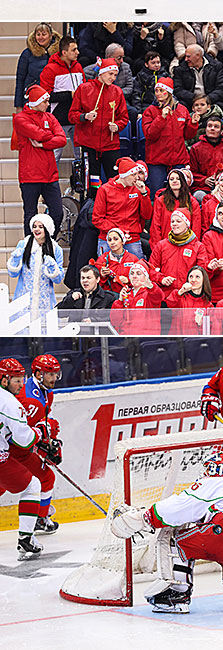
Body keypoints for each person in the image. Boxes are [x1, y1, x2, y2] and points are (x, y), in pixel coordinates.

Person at [111, 449, 223, 618]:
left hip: (216, 535)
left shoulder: (207, 484)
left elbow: (175, 510)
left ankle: (175, 594)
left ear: (207, 469)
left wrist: (144, 517)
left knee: (171, 532)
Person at [0, 358, 47, 559]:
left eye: (22, 379)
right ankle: (26, 538)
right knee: (32, 486)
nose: (21, 384)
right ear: (4, 380)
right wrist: (40, 431)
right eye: (17, 380)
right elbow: (25, 440)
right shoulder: (10, 402)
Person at [68, 56, 128, 193]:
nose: (113, 78)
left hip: (110, 145)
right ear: (101, 72)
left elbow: (124, 117)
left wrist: (118, 126)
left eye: (115, 75)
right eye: (110, 74)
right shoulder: (84, 89)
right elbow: (71, 115)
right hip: (90, 145)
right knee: (93, 184)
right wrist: (84, 116)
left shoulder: (117, 92)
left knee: (115, 182)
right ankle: (92, 209)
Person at [17, 354, 62, 534]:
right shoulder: (29, 399)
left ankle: (40, 518)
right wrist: (44, 440)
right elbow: (24, 431)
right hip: (16, 447)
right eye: (49, 374)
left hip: (21, 445)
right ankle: (40, 519)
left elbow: (42, 422)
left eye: (55, 374)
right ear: (37, 374)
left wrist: (47, 441)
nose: (53, 379)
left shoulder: (45, 391)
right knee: (46, 478)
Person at [14, 84, 66, 235]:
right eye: (45, 101)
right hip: (30, 175)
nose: (48, 104)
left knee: (57, 213)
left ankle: (47, 241)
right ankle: (31, 248)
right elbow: (40, 134)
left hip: (50, 175)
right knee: (30, 215)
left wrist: (43, 144)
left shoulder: (50, 117)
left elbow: (62, 139)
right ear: (36, 102)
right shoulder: (20, 119)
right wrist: (49, 136)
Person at [141, 75, 199, 198]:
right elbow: (149, 134)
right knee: (157, 194)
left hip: (178, 159)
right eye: (156, 90)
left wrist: (193, 124)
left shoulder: (182, 110)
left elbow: (187, 136)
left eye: (161, 90)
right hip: (157, 160)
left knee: (180, 194)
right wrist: (161, 118)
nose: (158, 94)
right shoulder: (150, 111)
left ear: (169, 92)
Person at [7, 214, 64, 321]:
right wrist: (15, 260)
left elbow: (58, 279)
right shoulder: (23, 244)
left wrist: (52, 267)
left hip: (45, 301)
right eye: (34, 226)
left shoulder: (56, 249)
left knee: (44, 333)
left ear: (47, 229)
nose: (36, 229)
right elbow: (13, 274)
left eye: (40, 227)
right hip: (23, 299)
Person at [92, 156, 152, 256]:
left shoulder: (140, 189)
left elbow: (147, 216)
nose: (137, 177)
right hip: (109, 238)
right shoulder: (104, 190)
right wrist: (118, 231)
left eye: (138, 174)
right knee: (106, 270)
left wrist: (144, 194)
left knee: (136, 269)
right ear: (124, 175)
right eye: (133, 174)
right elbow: (97, 219)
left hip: (132, 238)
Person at [39, 33, 84, 157]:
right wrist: (70, 94)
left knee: (80, 156)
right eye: (74, 50)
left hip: (77, 117)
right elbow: (46, 96)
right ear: (64, 52)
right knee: (55, 155)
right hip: (59, 118)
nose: (78, 52)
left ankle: (78, 177)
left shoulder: (78, 67)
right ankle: (52, 177)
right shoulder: (50, 69)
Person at [149, 208, 206, 293]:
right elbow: (151, 269)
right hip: (165, 295)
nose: (174, 224)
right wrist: (162, 279)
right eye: (172, 221)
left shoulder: (198, 246)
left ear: (187, 224)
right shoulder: (161, 245)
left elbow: (202, 272)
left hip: (189, 295)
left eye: (178, 221)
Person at [189, 116, 223, 199]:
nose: (212, 129)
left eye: (216, 127)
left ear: (221, 131)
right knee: (198, 196)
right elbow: (191, 172)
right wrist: (204, 180)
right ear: (205, 129)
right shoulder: (196, 148)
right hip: (203, 188)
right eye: (209, 126)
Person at [150, 166, 201, 245]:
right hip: (165, 245)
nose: (174, 181)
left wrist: (193, 246)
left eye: (178, 179)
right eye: (171, 179)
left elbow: (196, 228)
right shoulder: (161, 201)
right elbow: (155, 226)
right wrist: (157, 247)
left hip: (186, 246)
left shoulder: (192, 202)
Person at [14, 23, 61, 109]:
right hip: (32, 98)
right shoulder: (27, 54)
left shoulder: (59, 54)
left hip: (54, 99)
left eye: (44, 34)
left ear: (51, 36)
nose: (40, 37)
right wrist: (18, 105)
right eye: (38, 34)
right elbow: (20, 80)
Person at [110, 260, 164, 333]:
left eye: (138, 274)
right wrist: (120, 300)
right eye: (132, 274)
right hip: (127, 338)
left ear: (146, 277)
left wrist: (151, 286)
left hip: (146, 336)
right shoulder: (126, 294)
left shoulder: (150, 293)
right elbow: (115, 321)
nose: (134, 276)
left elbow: (159, 297)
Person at [172, 44, 223, 111]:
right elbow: (178, 89)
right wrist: (195, 98)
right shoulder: (180, 69)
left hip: (210, 101)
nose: (186, 59)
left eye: (188, 57)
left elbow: (221, 89)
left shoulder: (216, 66)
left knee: (220, 106)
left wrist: (207, 99)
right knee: (180, 106)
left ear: (198, 55)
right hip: (189, 101)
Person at [166, 266, 213, 335]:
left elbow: (212, 328)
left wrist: (202, 323)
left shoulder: (208, 305)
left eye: (197, 277)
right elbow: (170, 304)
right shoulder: (180, 296)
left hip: (195, 341)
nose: (193, 280)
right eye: (191, 277)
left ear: (204, 280)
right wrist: (181, 291)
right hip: (178, 340)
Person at [92, 227, 138, 294]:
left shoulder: (133, 259)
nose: (112, 242)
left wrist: (128, 280)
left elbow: (140, 280)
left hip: (129, 296)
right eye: (109, 240)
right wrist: (102, 276)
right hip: (109, 297)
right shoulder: (102, 259)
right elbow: (95, 284)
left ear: (122, 241)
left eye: (115, 239)